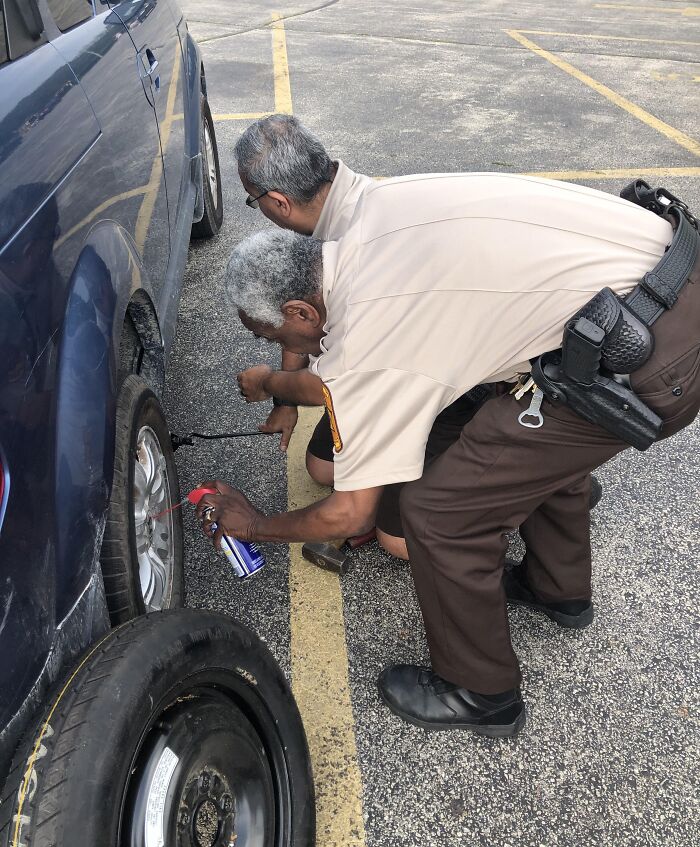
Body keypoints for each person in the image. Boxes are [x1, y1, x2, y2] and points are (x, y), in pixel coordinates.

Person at [199, 172, 700, 737]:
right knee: (527, 433)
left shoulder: (366, 340)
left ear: (301, 312)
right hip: (672, 275)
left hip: (650, 349)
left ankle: (481, 693)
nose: (280, 350)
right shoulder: (367, 215)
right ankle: (557, 590)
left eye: (272, 337)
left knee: (442, 513)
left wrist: (257, 526)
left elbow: (351, 514)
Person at [235, 117, 601, 558]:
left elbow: (336, 381)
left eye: (252, 201)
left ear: (278, 202)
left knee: (400, 539)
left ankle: (528, 487)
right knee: (321, 468)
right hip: (419, 361)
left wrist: (270, 385)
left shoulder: (364, 239)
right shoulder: (341, 217)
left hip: (484, 375)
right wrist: (285, 401)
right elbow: (298, 321)